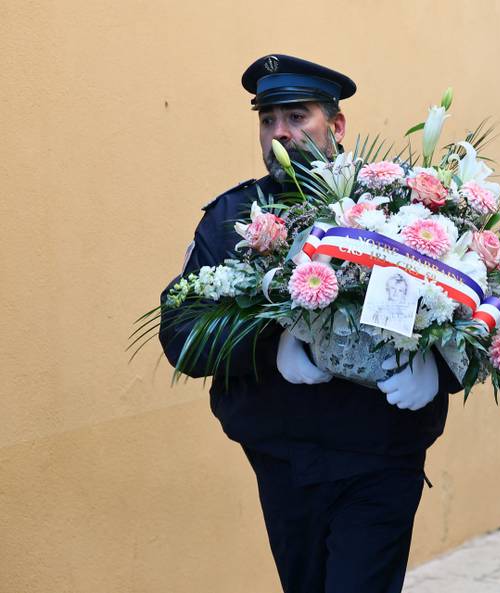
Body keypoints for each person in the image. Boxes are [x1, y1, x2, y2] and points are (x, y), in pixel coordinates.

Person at [158, 54, 461, 593]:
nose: (280, 133)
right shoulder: (232, 219)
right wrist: (266, 346)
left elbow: (472, 304)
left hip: (379, 455)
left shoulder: (401, 210)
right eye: (268, 119)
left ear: (336, 126)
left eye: (298, 117)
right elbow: (183, 337)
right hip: (283, 459)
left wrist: (441, 368)